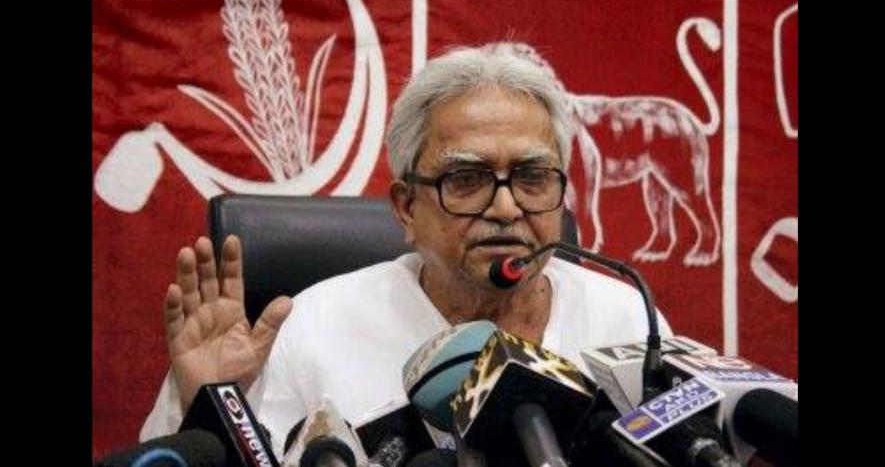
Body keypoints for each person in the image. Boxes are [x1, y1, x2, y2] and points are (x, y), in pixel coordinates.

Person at [140, 42, 671, 458]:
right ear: (406, 208)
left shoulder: (624, 317)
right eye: (467, 178)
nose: (508, 208)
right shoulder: (315, 325)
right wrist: (206, 404)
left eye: (533, 177)